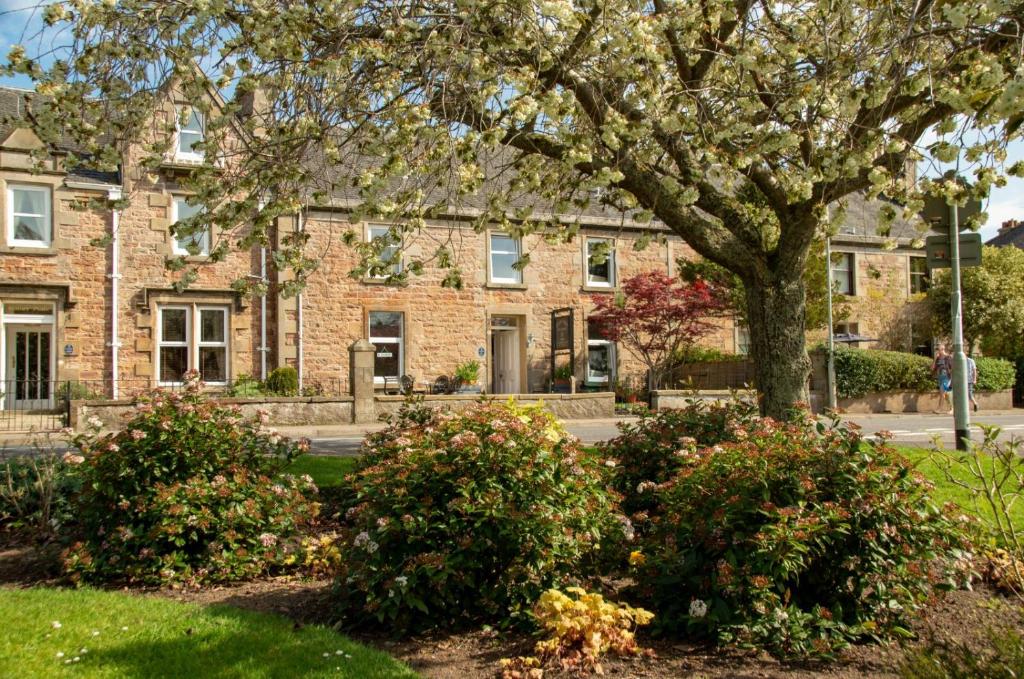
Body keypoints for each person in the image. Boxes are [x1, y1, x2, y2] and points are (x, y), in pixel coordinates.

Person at [931, 345, 953, 414]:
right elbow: (932, 368)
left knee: (942, 392)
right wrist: (935, 359)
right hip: (940, 378)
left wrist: (951, 377)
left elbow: (952, 368)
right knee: (945, 394)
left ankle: (939, 408)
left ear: (943, 349)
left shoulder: (948, 357)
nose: (938, 351)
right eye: (937, 349)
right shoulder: (938, 358)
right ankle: (952, 408)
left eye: (939, 349)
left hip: (946, 377)